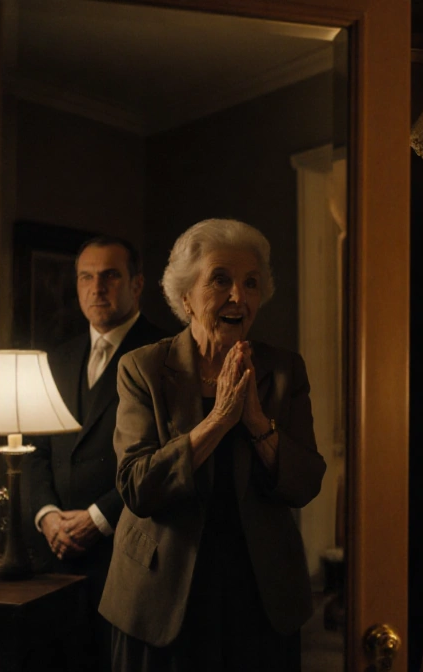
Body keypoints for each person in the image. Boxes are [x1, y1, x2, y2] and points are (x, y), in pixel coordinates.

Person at [99, 218, 326, 671]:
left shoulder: (284, 370)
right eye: (221, 280)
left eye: (251, 283)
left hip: (260, 594)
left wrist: (257, 423)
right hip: (161, 593)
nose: (238, 296)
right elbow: (137, 486)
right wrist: (219, 420)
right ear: (185, 297)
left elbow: (305, 483)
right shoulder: (143, 368)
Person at [22, 235, 169, 671]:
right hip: (56, 554)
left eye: (110, 276)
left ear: (137, 284)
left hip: (128, 550)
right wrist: (48, 515)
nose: (96, 288)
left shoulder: (164, 353)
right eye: (86, 277)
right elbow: (34, 451)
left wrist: (98, 518)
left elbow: (167, 460)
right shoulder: (58, 357)